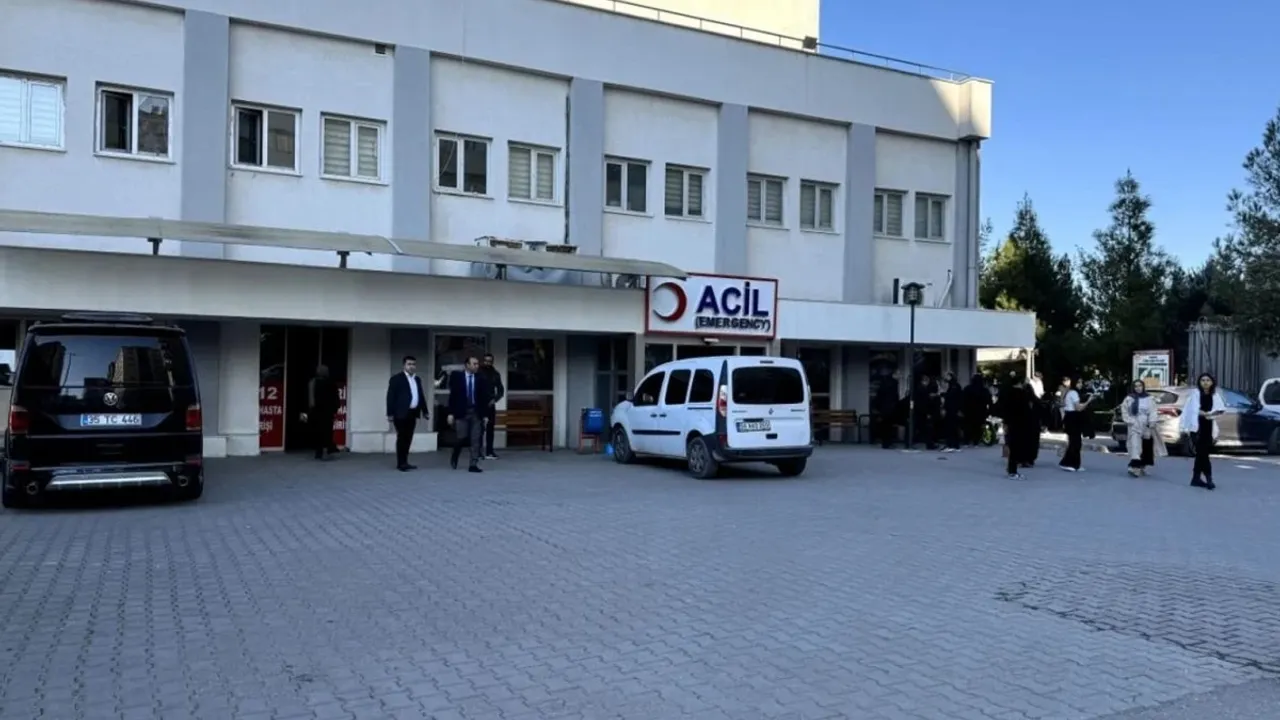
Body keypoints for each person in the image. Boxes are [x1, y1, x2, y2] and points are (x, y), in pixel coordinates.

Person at [1179, 372, 1225, 490]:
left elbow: (1220, 409)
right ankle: (1209, 479)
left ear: (1212, 382)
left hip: (1208, 426)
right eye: (1203, 380)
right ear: (1199, 382)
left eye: (1208, 380)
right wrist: (1201, 413)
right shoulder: (1195, 394)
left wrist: (1212, 413)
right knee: (1203, 453)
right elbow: (1190, 410)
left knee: (1201, 454)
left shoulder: (1215, 395)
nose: (1205, 382)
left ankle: (1196, 478)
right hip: (1197, 427)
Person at [447, 356, 493, 473]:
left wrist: (485, 415)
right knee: (461, 437)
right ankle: (455, 453)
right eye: (474, 364)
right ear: (467, 365)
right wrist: (451, 413)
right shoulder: (458, 377)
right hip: (461, 412)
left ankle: (473, 464)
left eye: (477, 364)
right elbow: (453, 396)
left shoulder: (481, 378)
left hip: (476, 412)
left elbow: (484, 398)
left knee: (475, 439)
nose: (477, 366)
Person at [385, 355, 429, 472]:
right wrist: (390, 414)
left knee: (408, 438)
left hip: (412, 413)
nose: (411, 366)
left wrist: (425, 411)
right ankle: (401, 463)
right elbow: (390, 397)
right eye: (409, 364)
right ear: (404, 365)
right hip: (400, 413)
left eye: (413, 364)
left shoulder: (417, 379)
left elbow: (421, 396)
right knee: (402, 437)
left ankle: (405, 461)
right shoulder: (396, 379)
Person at [302, 364, 340, 460]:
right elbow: (335, 397)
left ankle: (319, 451)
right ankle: (328, 448)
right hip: (327, 412)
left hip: (315, 411)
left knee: (317, 431)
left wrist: (307, 412)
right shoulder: (331, 383)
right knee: (327, 431)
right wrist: (336, 408)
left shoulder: (312, 382)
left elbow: (308, 398)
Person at [1057, 377, 1093, 472]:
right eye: (1078, 382)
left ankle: (1075, 464)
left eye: (1081, 382)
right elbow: (1078, 408)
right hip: (1072, 418)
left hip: (1072, 418)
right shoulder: (1073, 393)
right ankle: (1068, 463)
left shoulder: (1073, 392)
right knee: (1075, 442)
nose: (1080, 384)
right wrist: (1088, 401)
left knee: (1076, 442)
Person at [478, 353, 505, 460]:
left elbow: (501, 390)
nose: (488, 363)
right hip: (480, 404)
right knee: (479, 429)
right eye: (486, 361)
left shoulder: (495, 374)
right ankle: (478, 452)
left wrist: (495, 399)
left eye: (490, 361)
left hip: (490, 404)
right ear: (483, 361)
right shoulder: (478, 373)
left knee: (490, 429)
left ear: (492, 362)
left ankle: (489, 451)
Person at [874, 371, 901, 449]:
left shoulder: (885, 383)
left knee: (885, 426)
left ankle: (886, 443)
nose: (900, 376)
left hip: (884, 408)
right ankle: (888, 443)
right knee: (889, 426)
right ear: (894, 375)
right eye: (898, 374)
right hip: (889, 408)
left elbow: (879, 396)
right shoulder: (893, 383)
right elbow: (894, 397)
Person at [962, 374, 990, 446]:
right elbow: (988, 400)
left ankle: (967, 441)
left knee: (968, 426)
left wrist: (963, 409)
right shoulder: (984, 390)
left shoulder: (967, 389)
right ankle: (976, 441)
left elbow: (963, 400)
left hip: (969, 411)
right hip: (980, 411)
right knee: (978, 427)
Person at [911, 375, 937, 450]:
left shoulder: (920, 388)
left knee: (921, 428)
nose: (928, 383)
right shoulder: (922, 389)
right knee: (927, 428)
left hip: (920, 411)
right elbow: (924, 402)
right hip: (923, 412)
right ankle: (930, 444)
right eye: (927, 381)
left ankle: (911, 442)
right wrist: (928, 412)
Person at [941, 372, 964, 451]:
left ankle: (951, 444)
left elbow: (951, 397)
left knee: (951, 427)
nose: (946, 378)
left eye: (947, 376)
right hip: (952, 409)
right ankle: (953, 444)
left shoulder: (954, 386)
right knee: (952, 427)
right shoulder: (954, 386)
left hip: (952, 409)